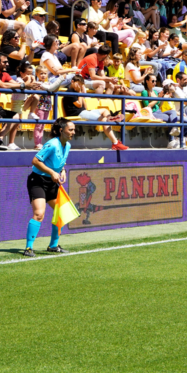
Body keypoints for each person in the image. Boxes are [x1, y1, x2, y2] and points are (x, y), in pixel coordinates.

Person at [23, 116, 75, 257]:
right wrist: (52, 172)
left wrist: (62, 171)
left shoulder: (68, 145)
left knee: (62, 212)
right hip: (38, 181)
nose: (73, 132)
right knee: (39, 214)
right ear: (61, 130)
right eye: (70, 129)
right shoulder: (52, 144)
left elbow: (61, 163)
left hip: (53, 183)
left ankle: (53, 246)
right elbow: (35, 161)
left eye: (74, 129)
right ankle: (28, 248)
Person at [60, 75, 126, 150]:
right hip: (77, 114)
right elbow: (79, 105)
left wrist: (80, 94)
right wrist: (80, 92)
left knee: (105, 110)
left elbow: (85, 105)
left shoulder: (77, 92)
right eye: (78, 84)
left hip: (83, 112)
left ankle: (109, 119)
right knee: (103, 120)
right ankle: (115, 143)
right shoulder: (69, 92)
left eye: (81, 85)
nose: (79, 86)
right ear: (72, 82)